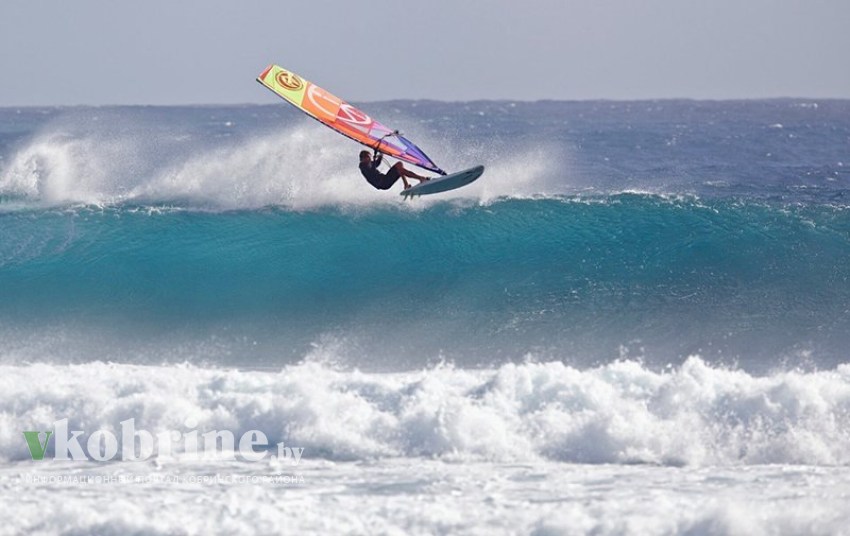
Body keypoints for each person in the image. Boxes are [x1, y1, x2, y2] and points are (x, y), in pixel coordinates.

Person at [359, 150, 428, 190]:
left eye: (370, 157)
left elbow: (377, 163)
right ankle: (421, 178)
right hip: (382, 183)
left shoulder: (369, 163)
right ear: (363, 158)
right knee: (399, 168)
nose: (370, 158)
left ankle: (406, 185)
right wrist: (374, 159)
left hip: (384, 179)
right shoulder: (362, 166)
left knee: (399, 164)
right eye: (368, 157)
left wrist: (380, 155)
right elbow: (371, 170)